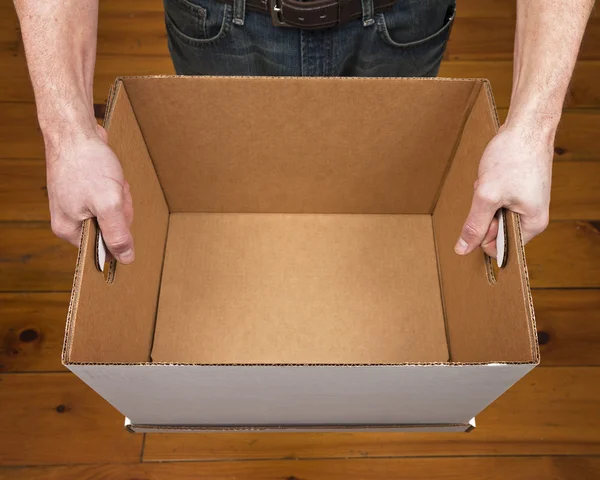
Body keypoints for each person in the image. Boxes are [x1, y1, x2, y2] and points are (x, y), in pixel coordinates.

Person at [14, 0, 594, 264]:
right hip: (221, 18)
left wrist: (534, 129)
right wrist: (65, 134)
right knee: (229, 190)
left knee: (384, 182)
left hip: (402, 17)